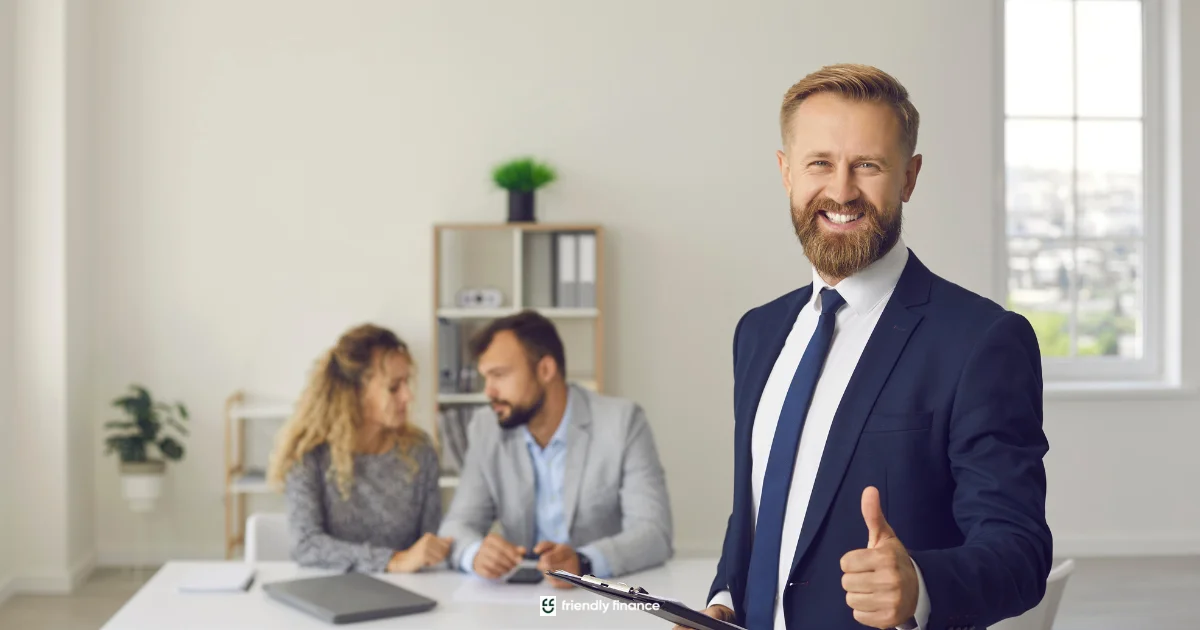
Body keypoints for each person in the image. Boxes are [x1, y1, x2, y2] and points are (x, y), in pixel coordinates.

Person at [684, 64, 1052, 630]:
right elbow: (756, 510)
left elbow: (1020, 552)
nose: (841, 191)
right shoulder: (757, 333)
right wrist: (727, 602)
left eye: (868, 166)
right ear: (786, 172)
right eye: (819, 164)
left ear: (909, 176)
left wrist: (920, 586)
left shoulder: (982, 341)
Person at [438, 310, 673, 587]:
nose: (488, 391)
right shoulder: (485, 428)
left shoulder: (622, 423)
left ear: (546, 370)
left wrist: (583, 562)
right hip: (520, 603)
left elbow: (654, 532)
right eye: (485, 378)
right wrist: (474, 553)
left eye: (498, 375)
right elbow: (456, 526)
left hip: (600, 600)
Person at [267, 323, 452, 573]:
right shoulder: (309, 453)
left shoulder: (420, 451)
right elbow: (307, 546)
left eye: (407, 382)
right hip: (330, 593)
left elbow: (430, 544)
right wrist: (392, 561)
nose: (408, 396)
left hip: (406, 593)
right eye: (394, 387)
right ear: (354, 392)